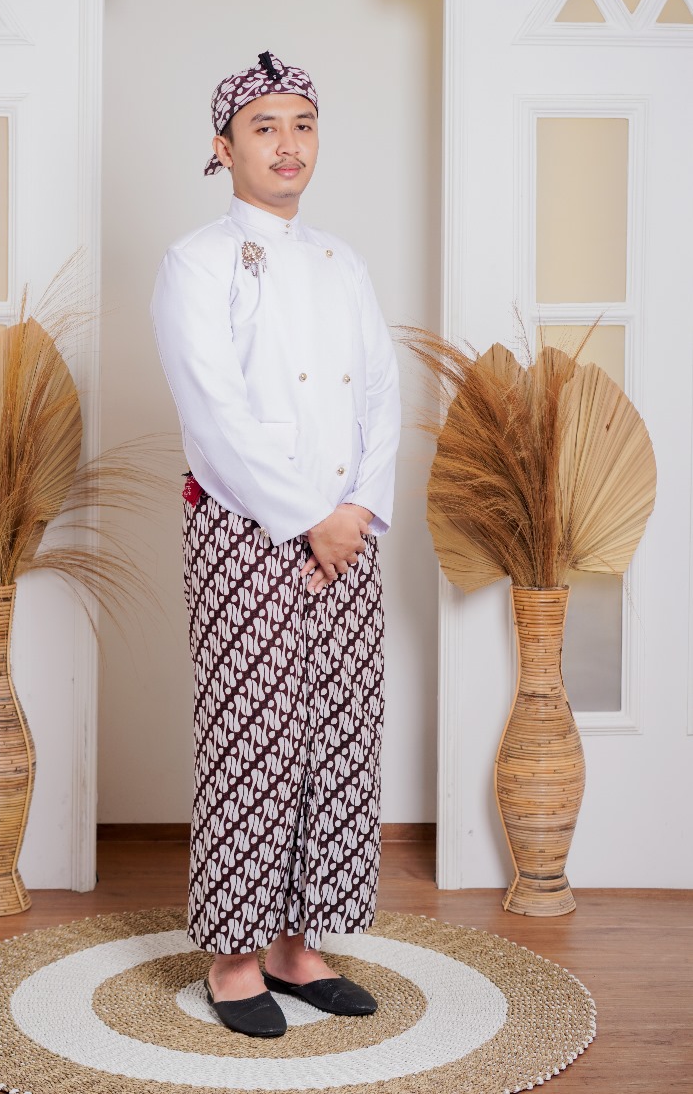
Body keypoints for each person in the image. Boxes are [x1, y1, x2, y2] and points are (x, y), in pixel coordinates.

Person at [150, 51, 401, 1038]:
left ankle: (298, 946)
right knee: (253, 737)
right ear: (224, 147)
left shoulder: (343, 261)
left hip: (349, 531)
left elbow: (379, 392)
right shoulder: (196, 262)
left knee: (337, 733)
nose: (287, 143)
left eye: (302, 123)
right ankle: (232, 956)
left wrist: (359, 509)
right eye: (264, 126)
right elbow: (213, 414)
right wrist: (311, 517)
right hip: (245, 526)